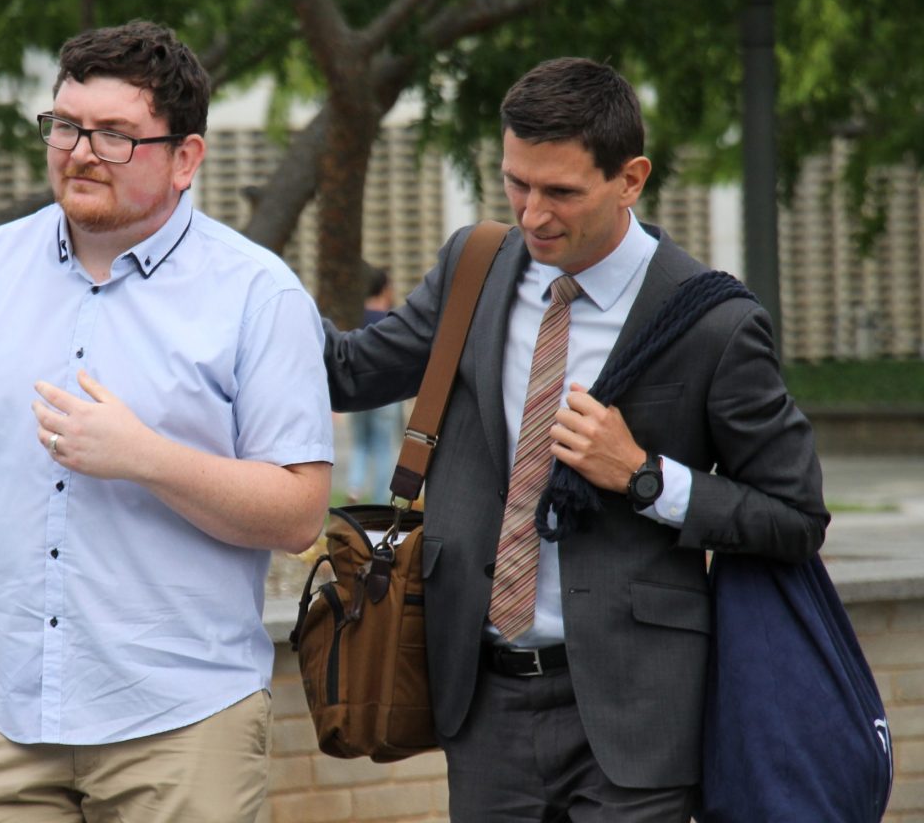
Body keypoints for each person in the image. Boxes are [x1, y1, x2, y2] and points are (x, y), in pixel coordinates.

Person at [0, 20, 333, 822]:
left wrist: (147, 458)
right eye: (66, 125)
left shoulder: (257, 296)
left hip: (182, 721)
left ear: (186, 159)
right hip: (6, 715)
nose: (81, 150)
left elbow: (300, 511)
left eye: (117, 135)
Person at [324, 57, 829, 822]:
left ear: (631, 179)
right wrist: (235, 281)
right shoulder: (476, 266)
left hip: (638, 713)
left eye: (560, 191)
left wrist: (644, 475)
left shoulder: (713, 322)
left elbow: (796, 517)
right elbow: (350, 372)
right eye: (516, 184)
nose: (532, 215)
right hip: (483, 699)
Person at [344, 265, 404, 502]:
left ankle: (354, 488)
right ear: (385, 288)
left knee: (359, 444)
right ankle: (380, 503)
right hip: (386, 394)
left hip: (358, 392)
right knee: (382, 448)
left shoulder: (355, 317)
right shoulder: (392, 319)